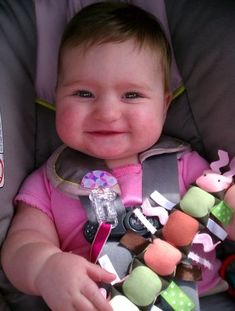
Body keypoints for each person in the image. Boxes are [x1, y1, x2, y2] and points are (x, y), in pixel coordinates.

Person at [1, 2, 225, 310]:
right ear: (57, 95)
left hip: (199, 300)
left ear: (163, 104)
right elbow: (21, 246)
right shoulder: (51, 182)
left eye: (131, 95)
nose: (106, 113)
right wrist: (44, 267)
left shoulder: (185, 165)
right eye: (83, 94)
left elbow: (218, 214)